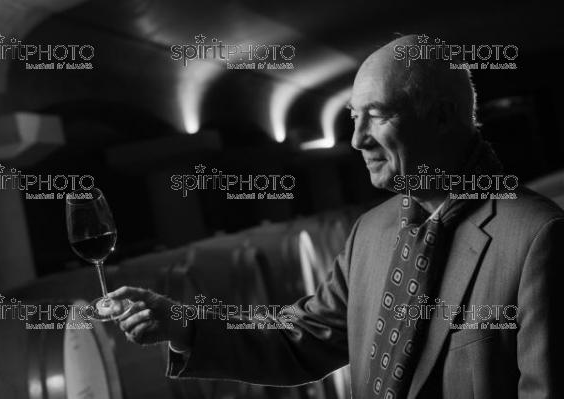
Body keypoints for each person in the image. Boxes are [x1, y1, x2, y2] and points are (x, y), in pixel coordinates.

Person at [109, 35, 564, 399]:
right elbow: (301, 337)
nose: (356, 139)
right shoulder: (373, 230)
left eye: (377, 115)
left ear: (443, 117)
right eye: (352, 117)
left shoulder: (536, 238)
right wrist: (185, 324)